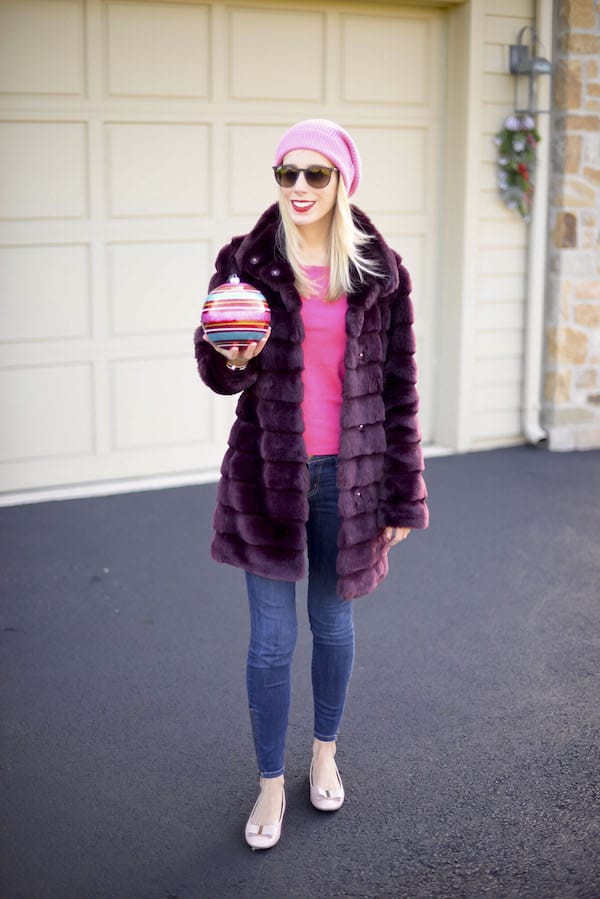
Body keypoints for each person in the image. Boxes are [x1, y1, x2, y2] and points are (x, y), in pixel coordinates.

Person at [194, 119, 428, 851]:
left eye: (314, 174)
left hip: (352, 482)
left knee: (332, 625)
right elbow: (214, 370)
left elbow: (400, 390)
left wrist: (403, 494)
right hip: (268, 479)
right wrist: (232, 357)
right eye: (286, 173)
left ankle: (323, 751)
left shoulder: (380, 271)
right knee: (269, 642)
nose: (298, 186)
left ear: (343, 181)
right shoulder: (246, 261)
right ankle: (270, 784)